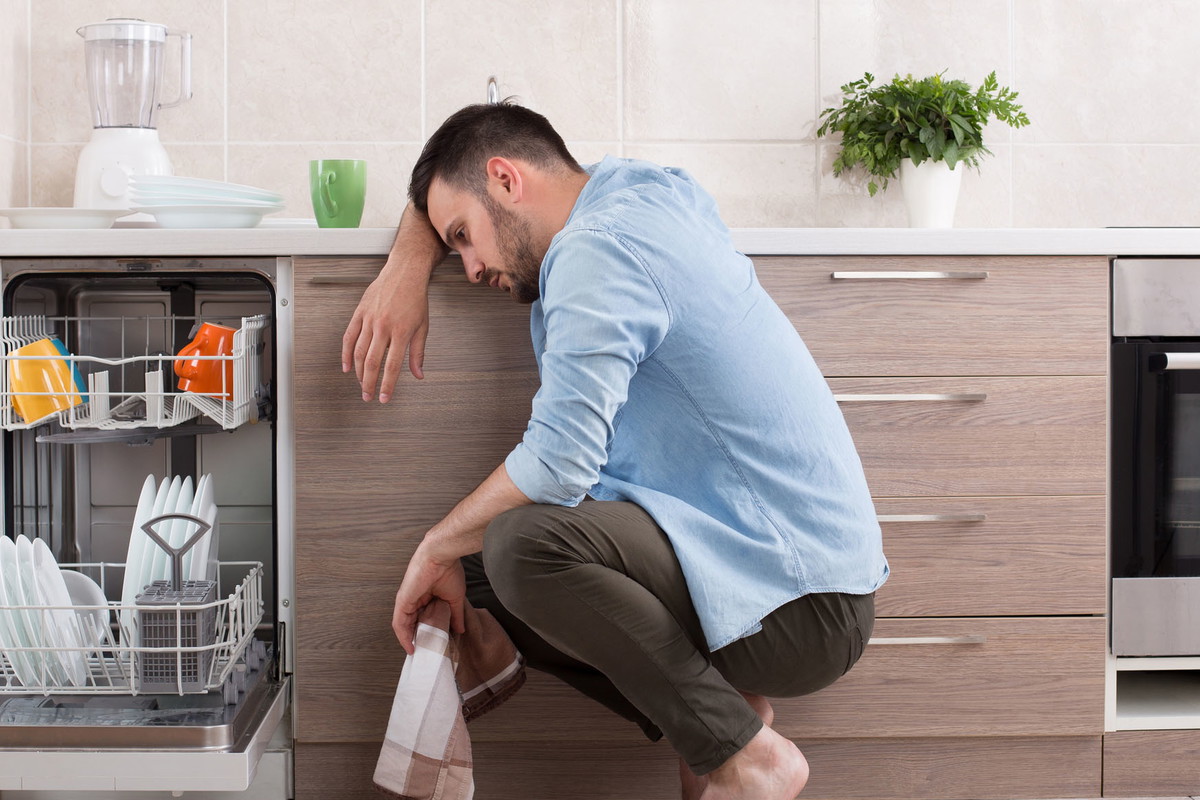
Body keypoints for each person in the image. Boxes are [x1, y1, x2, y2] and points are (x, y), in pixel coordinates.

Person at [342, 102, 888, 800]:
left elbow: (559, 464)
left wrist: (433, 545)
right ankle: (722, 721)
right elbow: (480, 145)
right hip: (771, 563)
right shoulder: (639, 190)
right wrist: (413, 252)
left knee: (516, 546)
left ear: (507, 181)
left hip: (796, 600)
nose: (472, 266)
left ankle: (747, 758)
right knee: (476, 576)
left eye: (465, 238)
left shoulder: (598, 251)